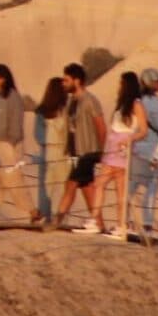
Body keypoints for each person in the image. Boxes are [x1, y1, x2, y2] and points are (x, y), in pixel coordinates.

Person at [55, 65, 108, 233]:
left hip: (88, 151)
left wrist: (101, 150)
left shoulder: (90, 100)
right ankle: (99, 223)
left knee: (71, 184)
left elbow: (100, 125)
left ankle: (57, 220)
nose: (63, 83)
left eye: (67, 80)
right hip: (75, 152)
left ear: (77, 81)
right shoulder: (72, 101)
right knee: (87, 188)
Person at [0, 64, 31, 229]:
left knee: (13, 179)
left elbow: (16, 123)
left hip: (8, 144)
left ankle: (32, 211)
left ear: (2, 78)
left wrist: (12, 144)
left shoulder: (13, 97)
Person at [92, 72, 141, 240]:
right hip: (111, 152)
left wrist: (129, 140)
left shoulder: (136, 104)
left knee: (120, 191)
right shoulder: (122, 105)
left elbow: (143, 130)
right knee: (99, 184)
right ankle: (95, 220)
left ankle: (122, 225)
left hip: (122, 153)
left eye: (121, 84)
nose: (119, 87)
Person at [133, 68, 158, 236]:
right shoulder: (155, 102)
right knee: (152, 188)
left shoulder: (137, 100)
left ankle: (126, 221)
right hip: (153, 151)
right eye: (157, 81)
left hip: (137, 148)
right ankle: (148, 225)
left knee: (131, 186)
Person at [30, 75, 69, 230]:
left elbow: (38, 135)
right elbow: (39, 135)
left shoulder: (65, 110)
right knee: (49, 187)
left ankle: (55, 217)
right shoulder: (43, 112)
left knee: (54, 187)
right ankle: (49, 217)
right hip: (54, 153)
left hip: (56, 152)